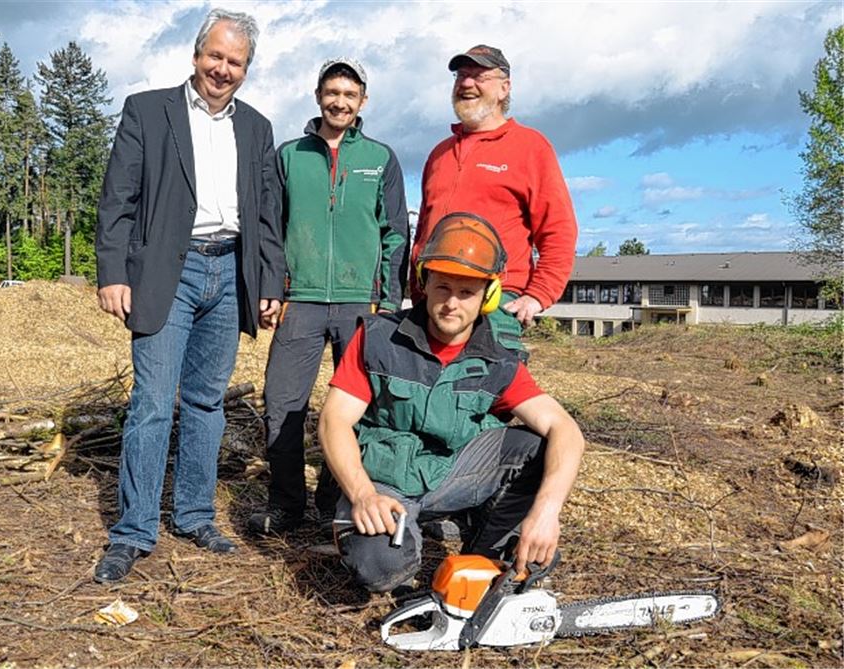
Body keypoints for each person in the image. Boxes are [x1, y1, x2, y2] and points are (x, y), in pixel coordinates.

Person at [93, 8, 283, 583]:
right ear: (196, 54)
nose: (223, 70)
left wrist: (270, 283)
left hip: (230, 273)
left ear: (247, 69)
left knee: (205, 402)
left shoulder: (256, 127)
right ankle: (134, 530)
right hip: (164, 276)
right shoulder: (148, 111)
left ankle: (195, 515)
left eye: (236, 62)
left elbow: (267, 214)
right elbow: (117, 198)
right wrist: (111, 272)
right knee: (152, 403)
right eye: (216, 57)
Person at [319, 212, 584, 592]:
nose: (451, 304)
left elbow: (566, 431)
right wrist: (362, 494)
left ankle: (484, 552)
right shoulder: (377, 338)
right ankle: (385, 535)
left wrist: (547, 512)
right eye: (443, 288)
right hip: (382, 480)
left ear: (488, 296)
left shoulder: (498, 359)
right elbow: (333, 421)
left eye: (466, 293)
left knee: (538, 448)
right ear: (425, 285)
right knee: (380, 568)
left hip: (451, 475)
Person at [248, 58, 409, 535]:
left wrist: (390, 298)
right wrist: (272, 288)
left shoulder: (380, 159)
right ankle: (287, 505)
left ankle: (338, 501)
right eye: (332, 92)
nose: (340, 101)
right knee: (282, 403)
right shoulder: (290, 155)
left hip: (363, 303)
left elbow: (396, 230)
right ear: (318, 95)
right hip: (302, 301)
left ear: (363, 101)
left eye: (350, 94)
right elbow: (270, 229)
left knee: (360, 409)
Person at [411, 45, 578, 357]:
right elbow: (423, 232)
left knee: (488, 398)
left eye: (479, 76)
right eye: (461, 75)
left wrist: (538, 295)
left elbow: (559, 229)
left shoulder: (531, 147)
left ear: (505, 88)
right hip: (435, 302)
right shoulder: (439, 154)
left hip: (494, 301)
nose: (466, 83)